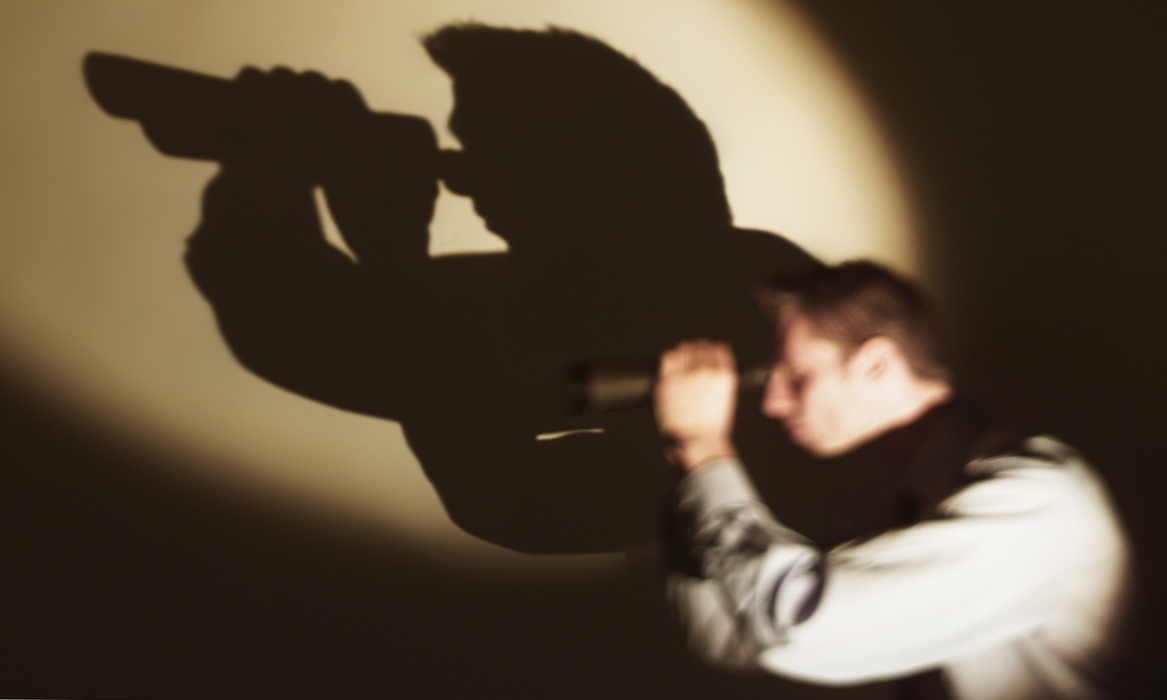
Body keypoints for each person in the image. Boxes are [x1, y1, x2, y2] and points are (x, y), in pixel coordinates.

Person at [183, 24, 814, 554]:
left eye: (490, 149)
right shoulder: (568, 288)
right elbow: (306, 326)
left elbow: (519, 503)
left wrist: (387, 248)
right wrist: (267, 170)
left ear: (582, 163)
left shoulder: (764, 314)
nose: (462, 180)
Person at [654, 261, 1132, 698]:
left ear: (877, 365)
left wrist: (703, 449)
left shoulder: (1038, 504)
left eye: (796, 376)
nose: (773, 404)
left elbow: (800, 625)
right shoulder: (910, 511)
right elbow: (732, 633)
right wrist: (689, 465)